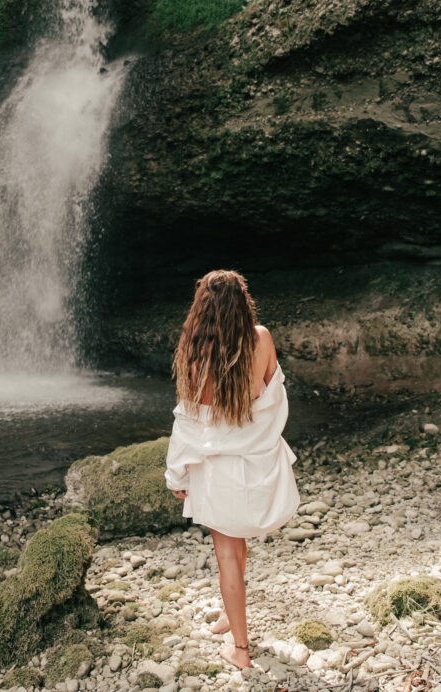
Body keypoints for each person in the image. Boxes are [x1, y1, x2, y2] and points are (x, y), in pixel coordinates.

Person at [164, 269, 300, 670]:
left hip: (217, 471)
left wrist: (177, 473)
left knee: (226, 551)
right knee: (238, 544)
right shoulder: (261, 338)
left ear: (201, 306)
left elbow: (188, 422)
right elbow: (275, 399)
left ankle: (240, 650)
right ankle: (231, 613)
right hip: (255, 464)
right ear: (242, 302)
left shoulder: (193, 351)